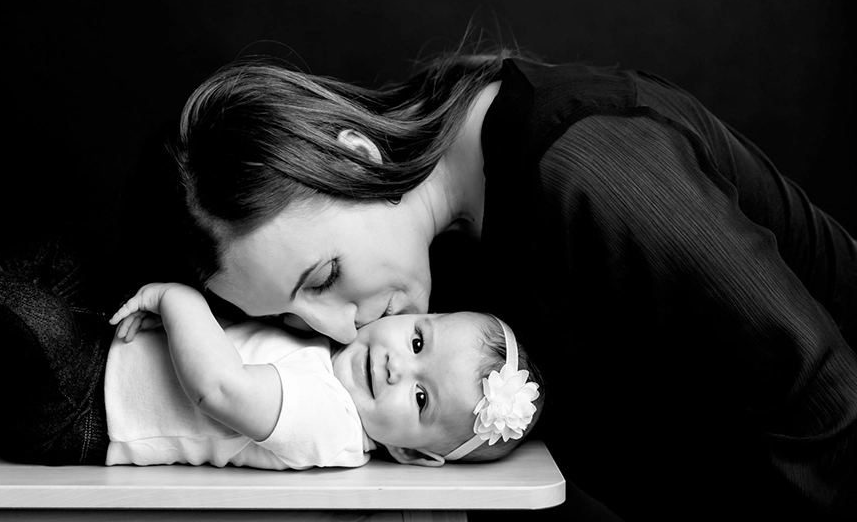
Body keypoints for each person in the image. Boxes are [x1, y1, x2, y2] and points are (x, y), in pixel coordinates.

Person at [170, 45, 856, 520]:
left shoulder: (586, 168)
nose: (337, 329)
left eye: (323, 278)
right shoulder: (441, 255)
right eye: (293, 319)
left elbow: (828, 400)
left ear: (354, 156)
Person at [0, 178, 544, 470]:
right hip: (100, 350)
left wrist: (177, 300)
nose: (399, 365)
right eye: (420, 342)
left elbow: (220, 390)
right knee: (67, 257)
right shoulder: (338, 356)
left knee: (40, 326)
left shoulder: (331, 425)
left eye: (420, 399)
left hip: (74, 416)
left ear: (408, 452)